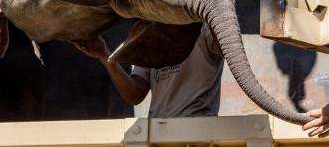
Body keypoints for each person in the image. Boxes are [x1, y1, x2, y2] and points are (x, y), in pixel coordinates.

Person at [73, 23, 223, 117]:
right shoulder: (151, 34)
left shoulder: (204, 27)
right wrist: (104, 56)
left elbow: (224, 46)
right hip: (158, 132)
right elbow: (135, 94)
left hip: (198, 130)